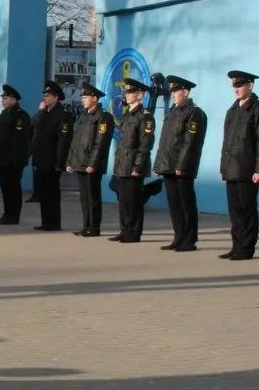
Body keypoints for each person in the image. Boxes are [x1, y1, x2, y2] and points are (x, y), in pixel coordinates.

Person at [152, 75, 207, 251]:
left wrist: (181, 166)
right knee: (174, 204)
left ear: (185, 91)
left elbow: (190, 143)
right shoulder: (173, 112)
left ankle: (189, 240)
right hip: (168, 165)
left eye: (176, 91)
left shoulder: (194, 113)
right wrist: (159, 165)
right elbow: (165, 142)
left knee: (186, 204)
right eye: (172, 91)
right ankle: (178, 237)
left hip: (181, 167)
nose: (173, 94)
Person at [110, 78, 156, 243]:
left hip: (134, 166)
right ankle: (124, 230)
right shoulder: (128, 115)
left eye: (130, 92)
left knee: (134, 201)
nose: (126, 94)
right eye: (126, 91)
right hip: (123, 163)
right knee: (123, 200)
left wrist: (137, 165)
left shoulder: (145, 117)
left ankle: (134, 232)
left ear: (140, 95)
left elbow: (145, 144)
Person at [219, 69, 259, 260]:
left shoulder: (256, 109)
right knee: (234, 211)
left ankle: (247, 248)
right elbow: (226, 142)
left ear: (250, 85)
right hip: (232, 168)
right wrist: (223, 168)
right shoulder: (233, 110)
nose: (236, 89)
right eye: (234, 85)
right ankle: (236, 246)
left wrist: (258, 169)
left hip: (247, 169)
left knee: (247, 209)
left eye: (239, 85)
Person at [66, 83, 115, 237]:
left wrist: (93, 163)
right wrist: (70, 161)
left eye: (86, 97)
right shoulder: (83, 115)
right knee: (84, 196)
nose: (83, 100)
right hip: (80, 162)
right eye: (83, 97)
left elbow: (101, 143)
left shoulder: (104, 117)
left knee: (92, 196)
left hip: (91, 164)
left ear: (95, 98)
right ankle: (86, 225)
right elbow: (75, 141)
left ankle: (94, 227)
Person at [30, 81, 73, 232]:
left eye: (47, 96)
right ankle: (45, 221)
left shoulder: (63, 115)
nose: (44, 99)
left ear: (56, 97)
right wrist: (41, 111)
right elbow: (32, 124)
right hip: (41, 160)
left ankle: (54, 222)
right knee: (43, 192)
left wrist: (59, 162)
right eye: (44, 96)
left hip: (53, 160)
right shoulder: (44, 114)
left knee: (52, 193)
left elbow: (64, 141)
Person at [0, 84, 32, 225]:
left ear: (14, 99)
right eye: (3, 98)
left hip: (13, 160)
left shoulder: (21, 116)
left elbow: (19, 141)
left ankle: (13, 216)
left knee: (13, 187)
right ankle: (7, 214)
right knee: (5, 188)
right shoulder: (4, 113)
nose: (3, 101)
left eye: (6, 98)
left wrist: (14, 159)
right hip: (2, 158)